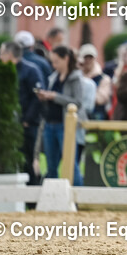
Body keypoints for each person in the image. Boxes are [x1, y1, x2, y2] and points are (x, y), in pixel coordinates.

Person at [33, 45, 85, 183]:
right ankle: (53, 199)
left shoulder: (75, 78)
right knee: (51, 166)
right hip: (50, 124)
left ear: (66, 59)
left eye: (56, 61)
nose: (54, 65)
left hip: (65, 126)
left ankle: (77, 198)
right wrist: (45, 96)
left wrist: (55, 96)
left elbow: (78, 102)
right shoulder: (53, 77)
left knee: (71, 164)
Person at [0, 40, 45, 186]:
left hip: (27, 125)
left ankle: (32, 200)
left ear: (10, 54)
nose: (0, 57)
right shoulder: (4, 72)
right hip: (10, 125)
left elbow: (37, 97)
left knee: (28, 161)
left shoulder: (31, 70)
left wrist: (27, 120)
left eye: (2, 53)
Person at [78, 44, 112, 121]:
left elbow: (101, 99)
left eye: (90, 57)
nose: (88, 60)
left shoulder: (104, 78)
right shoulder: (76, 76)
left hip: (96, 118)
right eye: (85, 57)